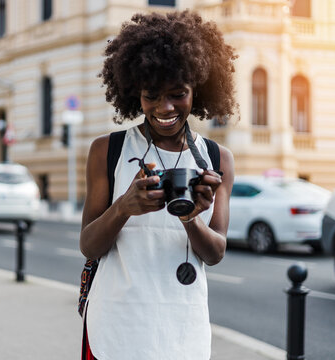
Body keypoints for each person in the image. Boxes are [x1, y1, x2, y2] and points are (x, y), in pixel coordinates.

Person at [80, 10, 237, 359]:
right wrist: (123, 207)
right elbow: (89, 246)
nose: (164, 107)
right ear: (135, 93)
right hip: (114, 328)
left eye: (177, 93)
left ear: (198, 88)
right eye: (151, 95)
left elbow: (215, 254)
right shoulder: (108, 150)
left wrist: (189, 216)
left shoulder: (217, 158)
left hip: (182, 330)